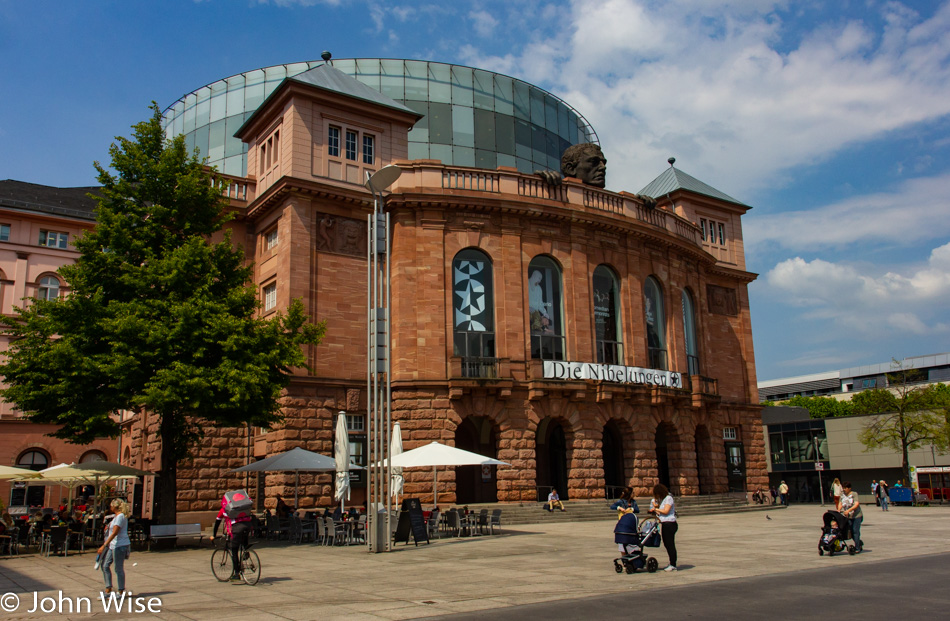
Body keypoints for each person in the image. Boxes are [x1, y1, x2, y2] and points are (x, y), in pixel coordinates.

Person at [213, 492, 252, 584]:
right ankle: (245, 552)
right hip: (248, 526)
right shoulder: (241, 507)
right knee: (243, 542)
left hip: (236, 529)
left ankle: (237, 573)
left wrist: (214, 535)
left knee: (234, 550)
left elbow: (217, 522)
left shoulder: (224, 510)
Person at [97, 499, 132, 595]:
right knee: (104, 565)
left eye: (111, 506)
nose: (110, 508)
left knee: (118, 568)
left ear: (114, 507)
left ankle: (121, 590)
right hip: (113, 545)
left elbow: (115, 532)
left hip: (120, 545)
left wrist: (104, 545)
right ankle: (108, 587)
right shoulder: (116, 517)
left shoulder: (120, 516)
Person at [649, 483, 678, 571]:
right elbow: (661, 512)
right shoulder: (664, 499)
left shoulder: (668, 498)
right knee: (667, 543)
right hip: (665, 523)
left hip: (670, 524)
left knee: (670, 544)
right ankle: (671, 562)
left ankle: (673, 564)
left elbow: (666, 511)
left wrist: (656, 509)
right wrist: (654, 510)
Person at [839, 482, 863, 553]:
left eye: (845, 488)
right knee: (850, 532)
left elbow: (856, 504)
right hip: (848, 516)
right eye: (843, 488)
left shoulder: (854, 494)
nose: (844, 489)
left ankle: (857, 547)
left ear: (849, 488)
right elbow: (840, 503)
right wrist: (839, 510)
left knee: (855, 531)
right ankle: (858, 542)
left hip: (856, 516)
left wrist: (848, 510)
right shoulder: (842, 495)